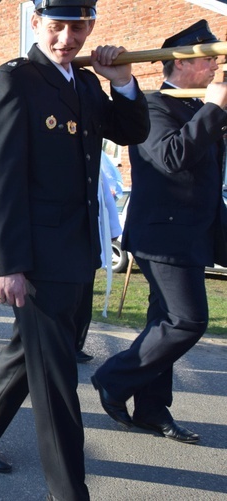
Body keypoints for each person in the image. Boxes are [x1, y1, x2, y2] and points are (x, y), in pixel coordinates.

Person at [0, 0, 150, 498]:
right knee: (57, 384)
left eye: (78, 26)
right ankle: (70, 491)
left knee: (29, 354)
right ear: (36, 23)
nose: (67, 38)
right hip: (38, 259)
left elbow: (133, 130)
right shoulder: (15, 80)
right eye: (57, 26)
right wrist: (7, 264)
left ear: (91, 24)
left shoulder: (87, 83)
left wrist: (124, 80)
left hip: (77, 253)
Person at [92, 20, 227, 445]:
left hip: (191, 236)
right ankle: (112, 379)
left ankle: (152, 408)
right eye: (208, 59)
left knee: (162, 322)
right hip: (162, 238)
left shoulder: (197, 109)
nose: (214, 67)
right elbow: (171, 158)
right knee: (186, 321)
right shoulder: (154, 105)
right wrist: (215, 110)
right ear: (181, 64)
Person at [75, 163, 123, 363]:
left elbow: (108, 197)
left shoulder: (99, 162)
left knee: (84, 296)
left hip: (89, 236)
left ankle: (76, 343)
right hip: (67, 236)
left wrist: (112, 230)